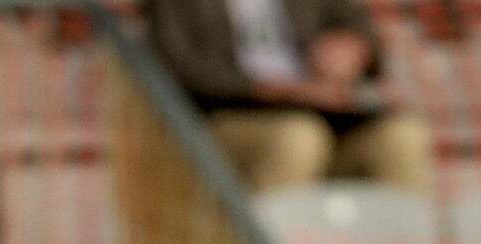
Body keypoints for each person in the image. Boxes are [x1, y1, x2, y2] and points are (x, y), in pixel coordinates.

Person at [146, 0, 432, 193]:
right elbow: (177, 66)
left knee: (404, 136)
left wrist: (353, 47)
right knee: (298, 138)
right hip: (228, 116)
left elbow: (357, 28)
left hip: (323, 114)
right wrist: (275, 89)